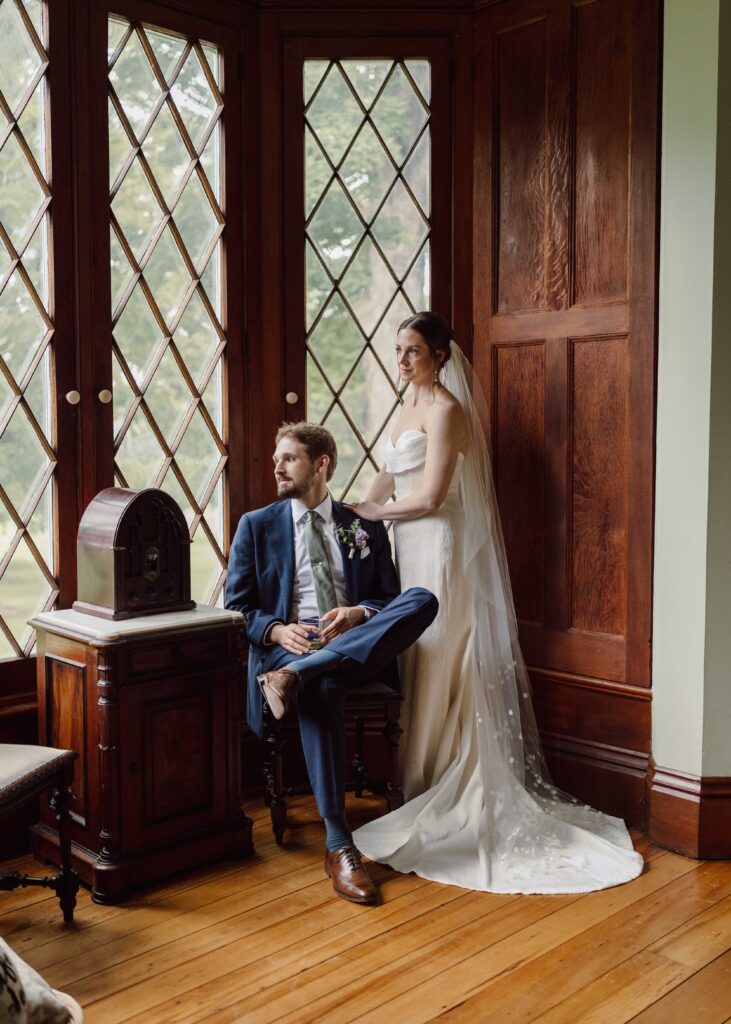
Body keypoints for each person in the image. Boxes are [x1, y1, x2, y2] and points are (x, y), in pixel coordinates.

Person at [348, 312, 644, 894]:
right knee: (416, 651)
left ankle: (446, 781)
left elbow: (431, 496)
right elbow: (389, 472)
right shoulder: (408, 406)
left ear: (439, 355)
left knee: (443, 651)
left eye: (413, 351)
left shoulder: (446, 411)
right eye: (398, 350)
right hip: (406, 543)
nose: (402, 360)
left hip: (437, 543)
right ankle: (422, 777)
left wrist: (377, 515)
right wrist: (354, 511)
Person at [225, 422, 438, 904]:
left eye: (289, 459)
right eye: (276, 458)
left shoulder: (361, 524)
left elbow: (388, 597)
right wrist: (278, 630)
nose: (276, 467)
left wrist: (358, 613)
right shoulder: (256, 526)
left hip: (353, 644)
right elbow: (235, 608)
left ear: (321, 465)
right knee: (320, 684)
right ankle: (340, 844)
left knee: (422, 598)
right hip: (289, 644)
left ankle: (296, 676)